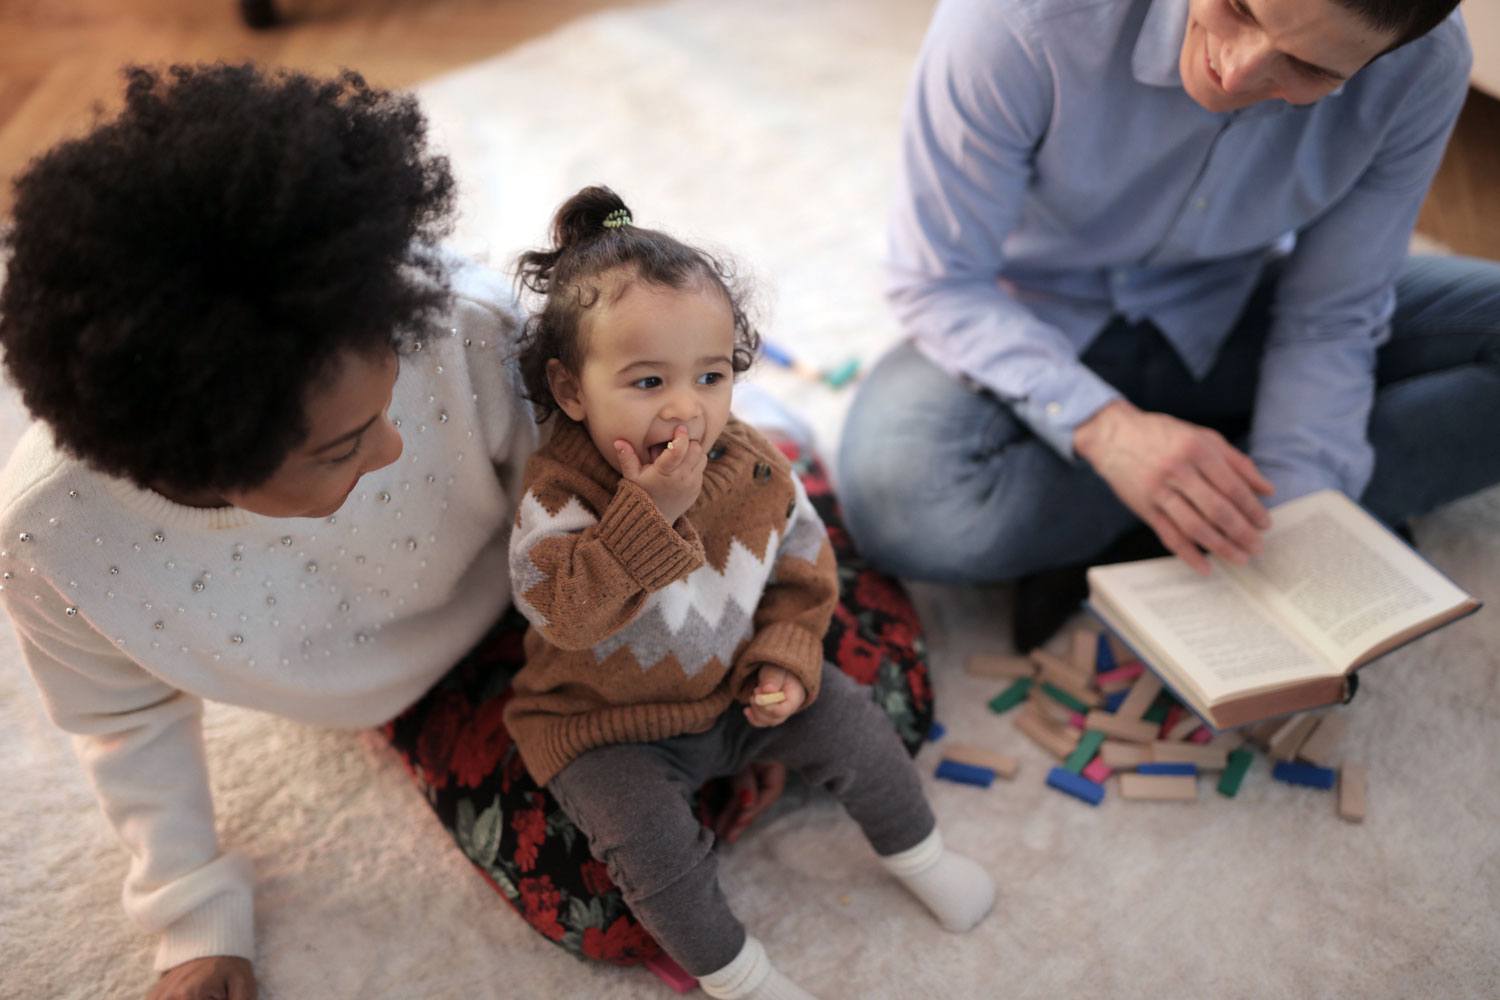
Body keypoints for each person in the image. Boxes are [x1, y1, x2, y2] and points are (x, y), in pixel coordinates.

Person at [0, 66, 934, 1000]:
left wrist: (734, 638)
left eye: (388, 402)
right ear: (198, 469)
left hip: (604, 573)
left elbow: (614, 470)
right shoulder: (54, 540)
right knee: (597, 900)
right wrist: (193, 915)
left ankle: (781, 465)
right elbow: (123, 719)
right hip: (444, 684)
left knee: (880, 687)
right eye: (345, 445)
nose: (398, 443)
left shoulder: (458, 325)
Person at [838, 0, 1500, 651]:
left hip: (1237, 306)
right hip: (1029, 318)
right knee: (903, 505)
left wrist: (1299, 506)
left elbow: (1331, 315)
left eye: (1305, 66)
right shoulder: (1015, 17)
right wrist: (1108, 431)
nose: (1237, 74)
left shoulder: (1421, 67)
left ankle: (1199, 506)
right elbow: (939, 280)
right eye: (1239, 7)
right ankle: (1212, 492)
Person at [503, 186, 994, 1000]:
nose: (686, 409)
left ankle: (922, 855)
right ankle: (739, 978)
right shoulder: (559, 494)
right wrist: (648, 513)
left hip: (735, 690)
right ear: (570, 391)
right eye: (647, 380)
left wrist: (787, 659)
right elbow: (567, 616)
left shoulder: (755, 468)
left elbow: (804, 574)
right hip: (603, 724)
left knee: (859, 727)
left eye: (711, 374)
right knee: (653, 857)